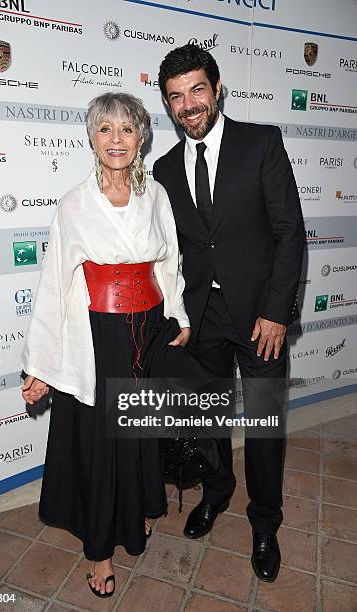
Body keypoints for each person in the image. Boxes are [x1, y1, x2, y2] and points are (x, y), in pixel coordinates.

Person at [21, 92, 190, 598]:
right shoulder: (74, 203)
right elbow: (55, 284)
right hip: (95, 336)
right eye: (105, 130)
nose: (116, 140)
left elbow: (169, 262)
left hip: (149, 328)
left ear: (141, 137)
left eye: (127, 130)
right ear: (92, 138)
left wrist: (177, 313)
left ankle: (134, 511)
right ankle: (98, 550)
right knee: (99, 441)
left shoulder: (156, 195)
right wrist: (42, 367)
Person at [153, 44, 305, 582]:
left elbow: (289, 233)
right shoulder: (165, 168)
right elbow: (170, 251)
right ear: (168, 105)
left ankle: (265, 521)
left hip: (260, 316)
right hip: (202, 318)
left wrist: (276, 312)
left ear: (218, 89)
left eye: (198, 90)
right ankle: (216, 492)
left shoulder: (261, 142)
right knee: (208, 417)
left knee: (264, 427)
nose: (189, 105)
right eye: (176, 97)